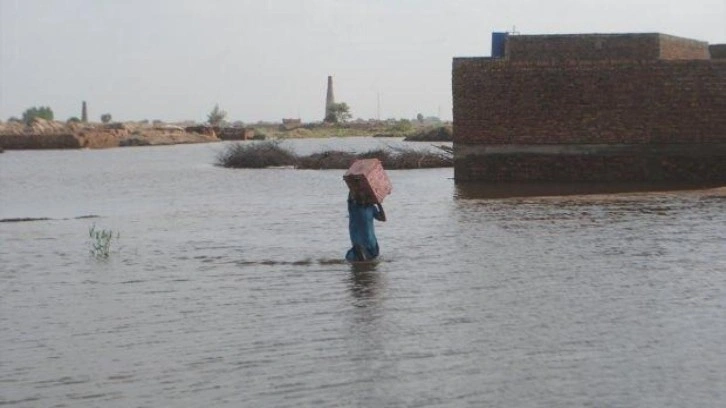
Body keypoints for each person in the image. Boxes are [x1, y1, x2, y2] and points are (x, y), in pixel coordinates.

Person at [345, 192, 386, 262]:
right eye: (360, 196)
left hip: (372, 243)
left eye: (364, 196)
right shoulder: (353, 207)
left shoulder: (371, 208)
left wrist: (378, 203)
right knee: (362, 262)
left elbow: (383, 218)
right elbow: (350, 197)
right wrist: (355, 186)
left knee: (371, 267)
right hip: (359, 243)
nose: (362, 197)